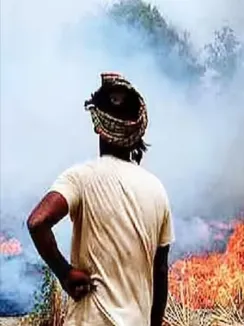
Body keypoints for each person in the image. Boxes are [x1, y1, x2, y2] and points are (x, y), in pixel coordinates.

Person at [27, 72, 174, 326]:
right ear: (136, 130)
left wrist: (64, 273)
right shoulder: (157, 190)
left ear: (98, 125)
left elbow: (37, 222)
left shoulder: (80, 178)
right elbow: (160, 271)